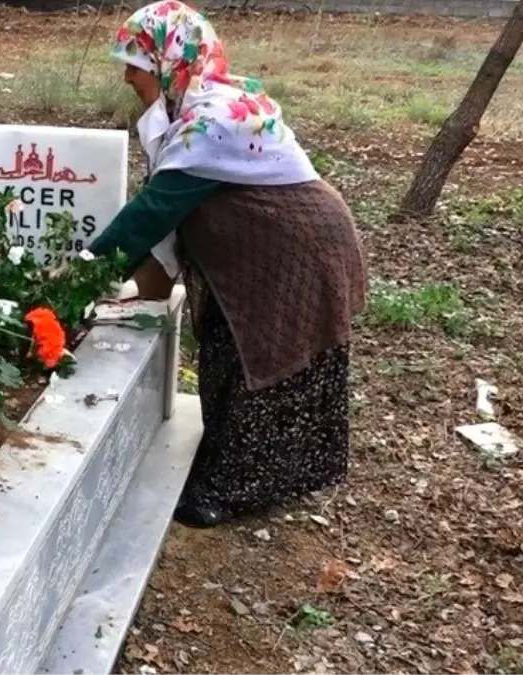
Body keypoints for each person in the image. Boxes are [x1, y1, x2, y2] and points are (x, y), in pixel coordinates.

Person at [88, 0, 368, 528]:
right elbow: (167, 216)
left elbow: (152, 213)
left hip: (296, 253)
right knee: (226, 348)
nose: (126, 76)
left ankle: (237, 488)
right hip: (264, 253)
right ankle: (225, 460)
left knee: (264, 362)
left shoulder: (215, 119)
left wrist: (80, 274)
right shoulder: (196, 109)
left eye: (135, 64)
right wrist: (129, 292)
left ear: (170, 61)